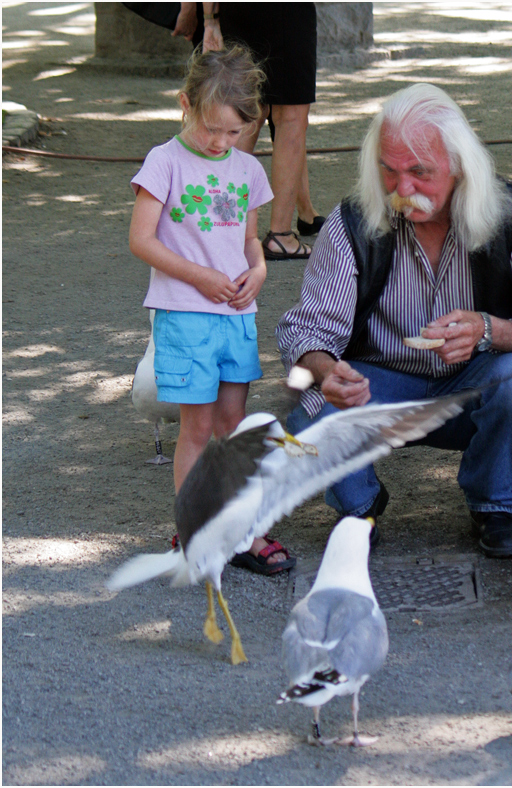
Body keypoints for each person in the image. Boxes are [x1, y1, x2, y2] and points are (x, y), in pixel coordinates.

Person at [276, 83, 512, 559]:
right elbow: (307, 330)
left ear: (458, 165)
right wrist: (327, 369)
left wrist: (487, 330)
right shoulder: (352, 222)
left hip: (476, 387)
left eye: (420, 172)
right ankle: (360, 505)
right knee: (311, 405)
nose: (403, 190)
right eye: (389, 172)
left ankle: (493, 503)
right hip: (380, 389)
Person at [129, 46, 294, 574]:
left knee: (233, 425)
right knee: (197, 429)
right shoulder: (165, 161)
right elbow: (141, 240)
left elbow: (249, 239)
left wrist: (261, 271)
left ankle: (244, 530)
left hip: (235, 317)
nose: (221, 142)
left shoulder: (245, 168)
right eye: (211, 129)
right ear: (186, 104)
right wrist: (199, 276)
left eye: (234, 132)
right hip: (185, 314)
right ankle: (195, 530)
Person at [173, 2, 324, 259]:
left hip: (238, 9)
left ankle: (215, 225)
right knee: (291, 115)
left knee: (249, 108)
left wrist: (210, 19)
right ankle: (280, 235)